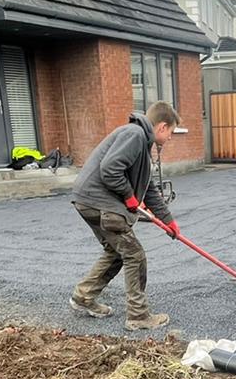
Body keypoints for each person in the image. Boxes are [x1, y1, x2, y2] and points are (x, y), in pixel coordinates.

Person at [69, 102, 181, 331]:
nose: (170, 138)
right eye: (171, 132)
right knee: (135, 255)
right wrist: (129, 196)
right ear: (162, 126)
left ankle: (83, 297)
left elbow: (149, 190)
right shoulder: (135, 134)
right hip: (100, 203)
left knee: (117, 252)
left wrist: (169, 221)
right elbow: (110, 169)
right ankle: (138, 316)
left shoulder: (141, 142)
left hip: (89, 201)